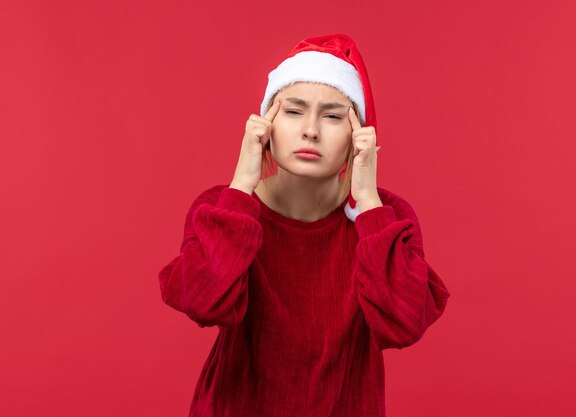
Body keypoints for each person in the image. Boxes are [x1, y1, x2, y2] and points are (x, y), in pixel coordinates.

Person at [158, 33, 451, 417]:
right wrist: (242, 186)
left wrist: (367, 204)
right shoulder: (224, 209)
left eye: (332, 116)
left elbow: (405, 323)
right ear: (265, 124)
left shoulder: (384, 218)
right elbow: (203, 302)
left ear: (358, 135)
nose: (310, 130)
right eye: (293, 112)